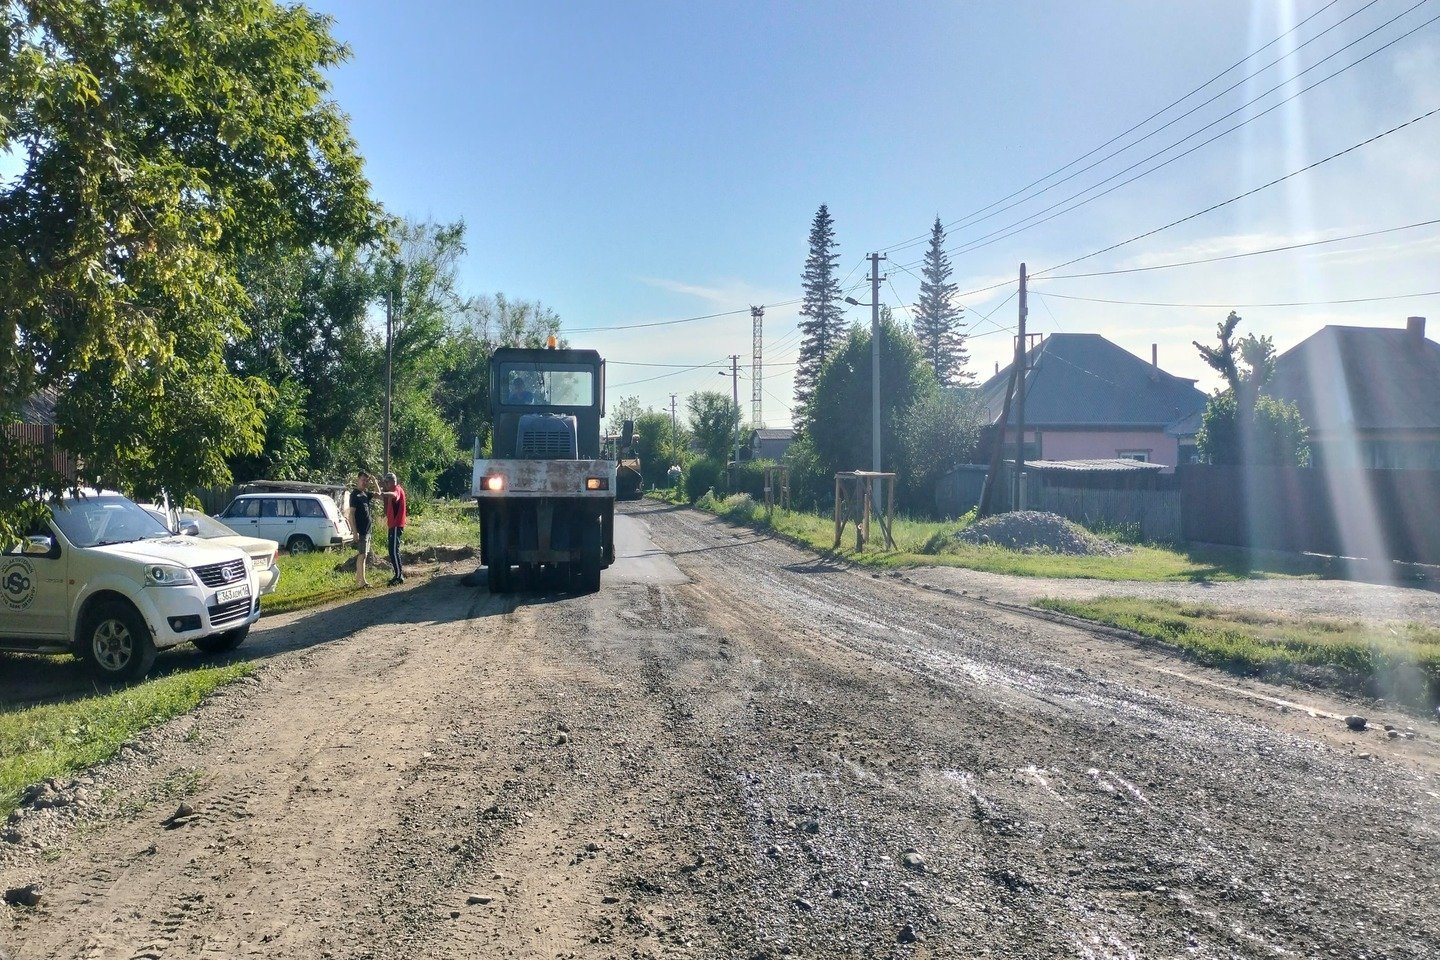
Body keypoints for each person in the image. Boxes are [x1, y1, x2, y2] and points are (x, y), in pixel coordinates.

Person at [381, 471, 407, 586]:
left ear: (391, 482)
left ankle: (398, 576)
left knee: (394, 551)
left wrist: (384, 494)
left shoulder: (397, 490)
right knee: (392, 551)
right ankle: (398, 574)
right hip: (393, 526)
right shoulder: (393, 490)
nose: (385, 484)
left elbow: (394, 495)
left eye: (386, 482)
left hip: (396, 525)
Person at [351, 471, 376, 587]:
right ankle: (363, 582)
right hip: (361, 531)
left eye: (366, 481)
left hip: (368, 530)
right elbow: (351, 514)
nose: (364, 482)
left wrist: (375, 483)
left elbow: (380, 495)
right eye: (362, 480)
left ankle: (358, 581)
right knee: (362, 555)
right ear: (358, 480)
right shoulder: (354, 495)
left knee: (364, 555)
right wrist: (354, 532)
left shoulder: (365, 494)